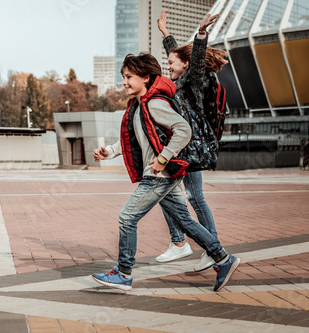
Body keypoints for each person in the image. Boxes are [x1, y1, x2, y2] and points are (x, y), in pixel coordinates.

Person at [91, 52, 240, 292]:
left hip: (159, 175)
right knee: (184, 221)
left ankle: (124, 273)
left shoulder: (154, 103)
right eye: (124, 77)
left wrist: (162, 158)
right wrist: (109, 151)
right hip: (163, 174)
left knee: (127, 217)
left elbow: (184, 130)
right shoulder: (139, 106)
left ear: (146, 78)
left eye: (129, 77)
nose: (125, 82)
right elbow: (136, 141)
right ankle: (223, 260)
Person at [154, 11, 228, 273]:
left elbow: (194, 59)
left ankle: (203, 246)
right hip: (187, 147)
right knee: (178, 193)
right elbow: (179, 55)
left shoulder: (193, 80)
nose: (168, 66)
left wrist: (200, 32)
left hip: (192, 148)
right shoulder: (182, 81)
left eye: (172, 62)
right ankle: (192, 245)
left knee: (184, 195)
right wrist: (165, 33)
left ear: (185, 65)